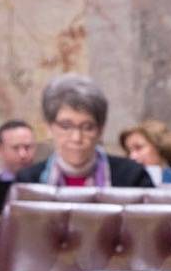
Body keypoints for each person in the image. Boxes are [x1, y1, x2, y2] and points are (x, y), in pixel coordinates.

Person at [16, 74, 155, 189]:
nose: (77, 138)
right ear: (49, 127)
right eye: (66, 126)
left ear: (101, 130)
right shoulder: (27, 182)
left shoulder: (133, 177)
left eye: (88, 127)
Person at [117, 120, 171, 185]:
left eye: (139, 148)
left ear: (159, 146)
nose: (132, 156)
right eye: (129, 151)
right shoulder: (125, 184)